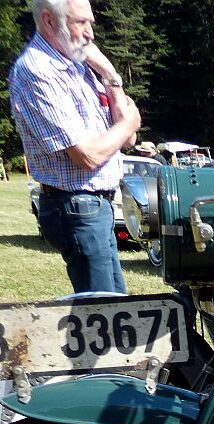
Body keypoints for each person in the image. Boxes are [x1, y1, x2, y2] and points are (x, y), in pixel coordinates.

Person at [9, 0, 140, 294]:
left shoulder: (80, 65)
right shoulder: (37, 71)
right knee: (102, 310)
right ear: (49, 21)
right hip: (76, 206)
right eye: (80, 22)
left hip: (96, 206)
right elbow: (88, 155)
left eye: (90, 22)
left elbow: (127, 139)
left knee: (116, 305)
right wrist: (129, 123)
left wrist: (111, 76)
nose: (90, 33)